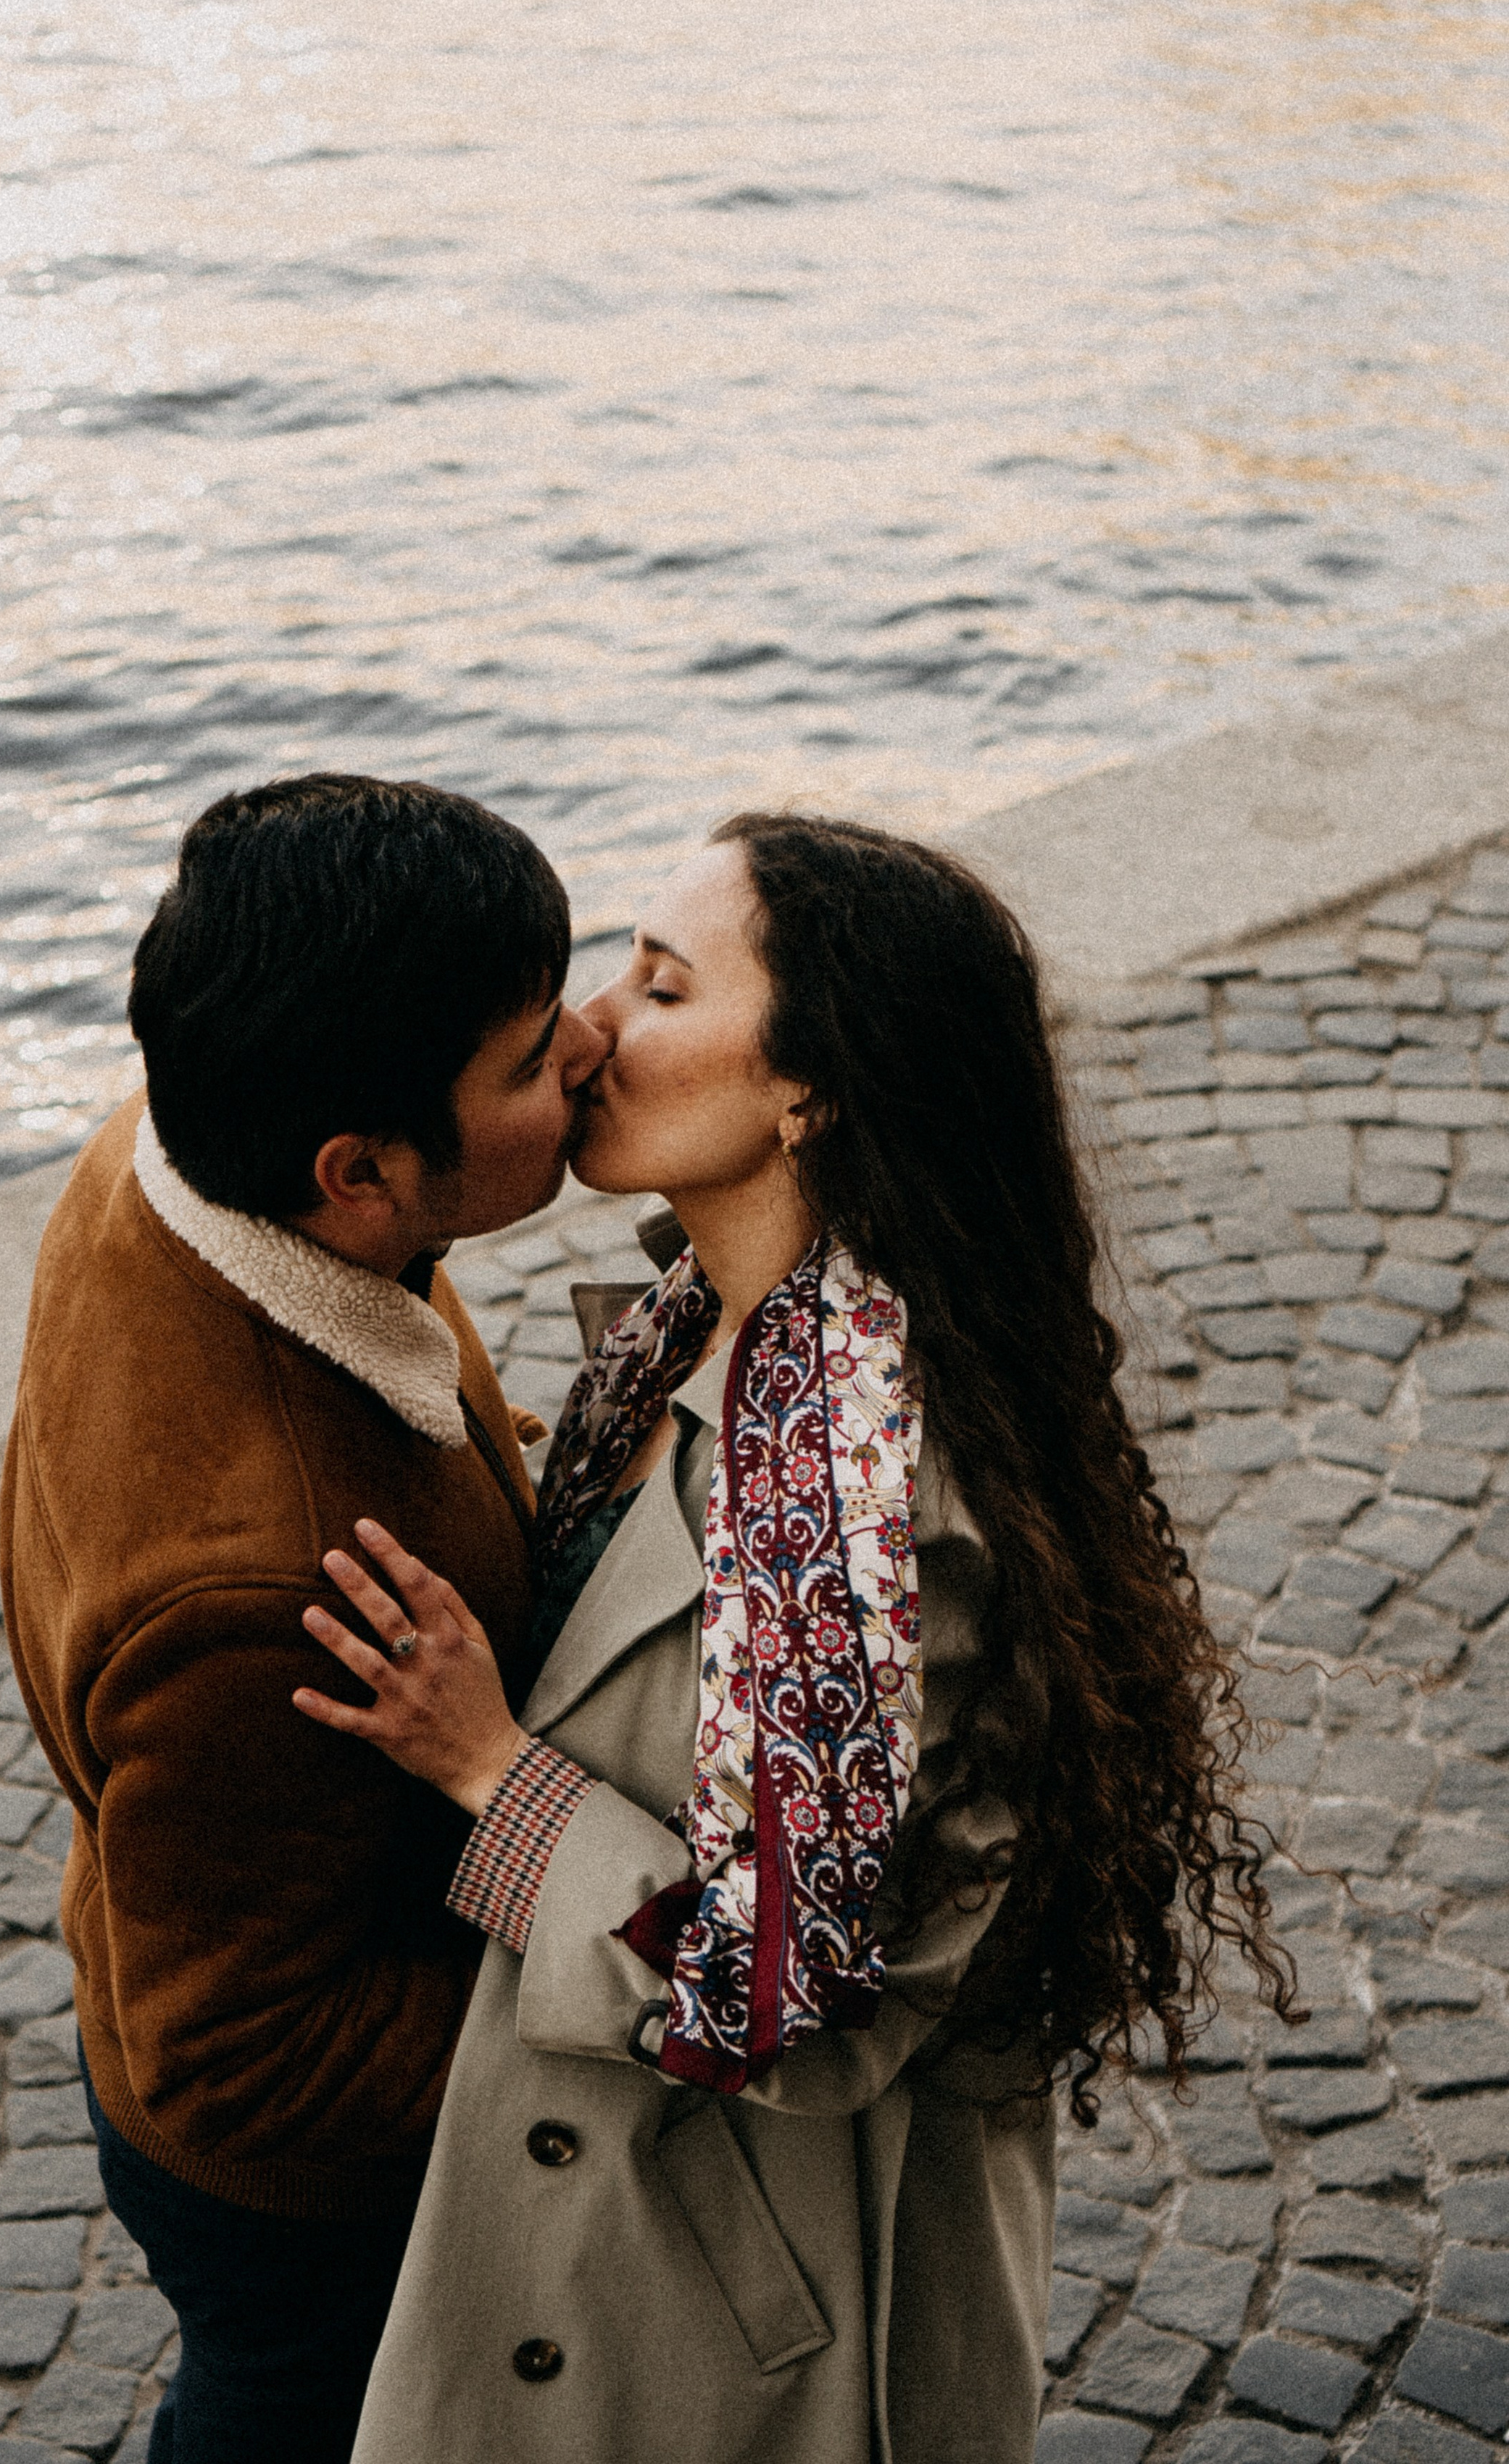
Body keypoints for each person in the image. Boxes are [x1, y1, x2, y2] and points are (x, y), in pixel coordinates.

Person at [295, 810, 1295, 2464]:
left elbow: (784, 1993)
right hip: (644, 2228)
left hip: (747, 2309)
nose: (592, 1026)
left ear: (805, 1089)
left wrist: (489, 1768)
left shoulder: (846, 1468)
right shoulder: (709, 1328)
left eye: (664, 987)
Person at [0, 772, 607, 2462]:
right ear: (357, 1174)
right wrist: (597, 2042)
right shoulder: (262, 1588)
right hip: (305, 2218)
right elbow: (241, 2063)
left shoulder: (174, 1148)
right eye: (524, 1058)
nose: (585, 1057)